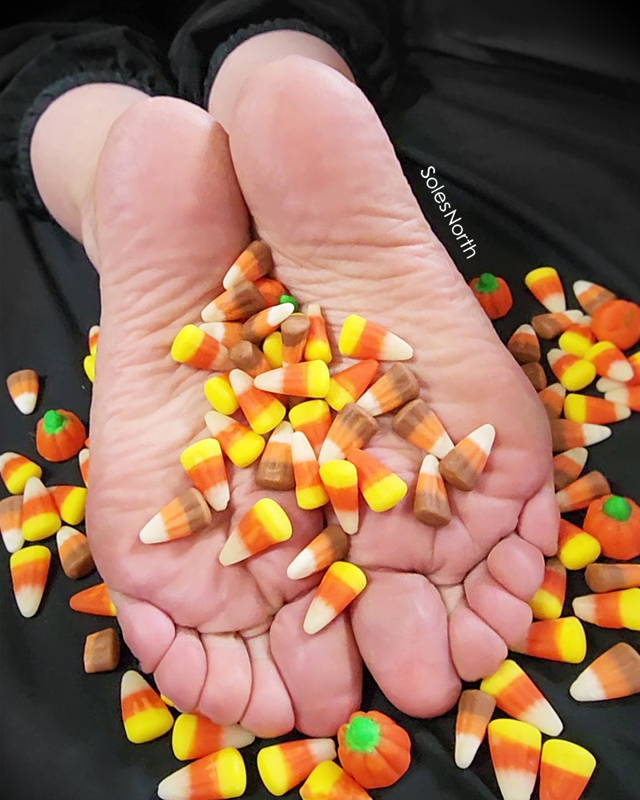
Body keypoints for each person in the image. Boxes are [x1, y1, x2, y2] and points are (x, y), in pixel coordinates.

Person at [2, 2, 566, 740]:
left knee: (39, 59)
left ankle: (109, 183)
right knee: (292, 27)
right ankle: (273, 69)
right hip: (329, 385)